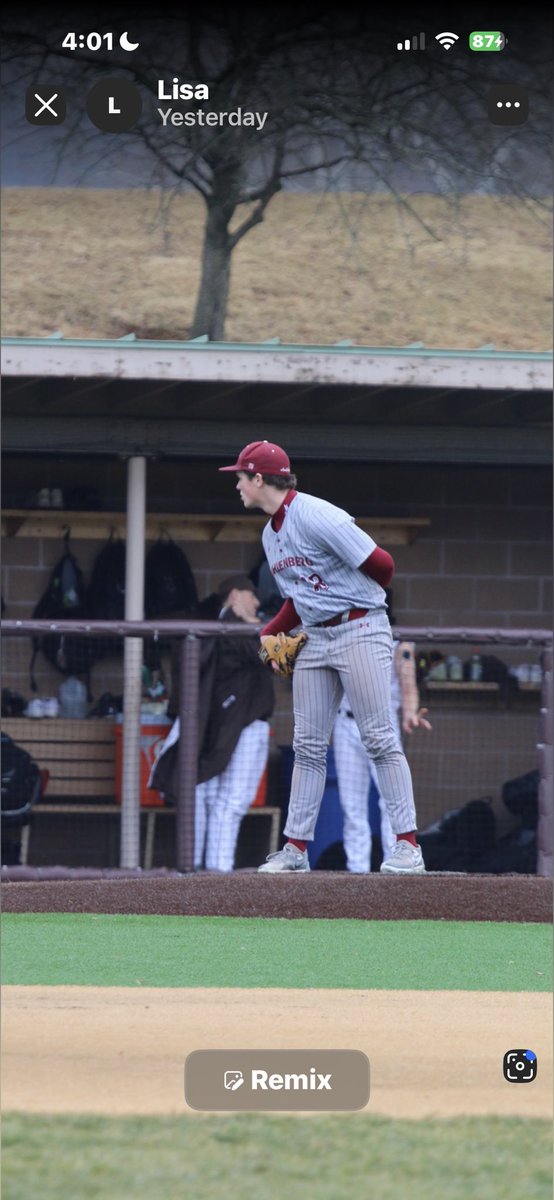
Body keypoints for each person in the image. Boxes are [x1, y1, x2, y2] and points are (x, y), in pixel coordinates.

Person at [219, 439, 427, 874]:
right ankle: (295, 849)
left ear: (259, 479)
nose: (237, 484)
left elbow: (383, 566)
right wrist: (271, 632)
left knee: (379, 738)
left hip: (361, 627)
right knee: (308, 746)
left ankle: (408, 846)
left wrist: (348, 595)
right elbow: (299, 596)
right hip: (315, 635)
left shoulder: (317, 514)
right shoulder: (269, 534)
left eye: (241, 476)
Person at [149, 575, 274, 871]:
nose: (256, 602)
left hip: (243, 728)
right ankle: (217, 877)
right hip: (235, 729)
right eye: (250, 595)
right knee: (227, 804)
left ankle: (213, 875)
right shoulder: (228, 627)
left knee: (228, 802)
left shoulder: (238, 627)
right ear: (234, 595)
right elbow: (274, 657)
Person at [333, 627, 432, 872]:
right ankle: (357, 870)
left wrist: (410, 713)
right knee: (352, 805)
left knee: (391, 802)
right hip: (345, 723)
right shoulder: (340, 634)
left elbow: (408, 684)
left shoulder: (399, 642)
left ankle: (395, 867)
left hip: (382, 723)